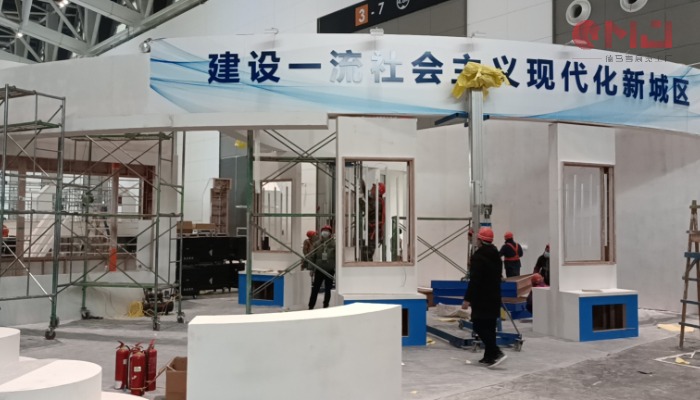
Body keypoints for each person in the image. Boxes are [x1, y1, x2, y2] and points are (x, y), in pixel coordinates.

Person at [462, 227, 507, 368]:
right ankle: (489, 356)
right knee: (490, 326)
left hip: (481, 298)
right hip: (494, 296)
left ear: (480, 240)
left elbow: (475, 280)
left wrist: (467, 299)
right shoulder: (496, 255)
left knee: (478, 325)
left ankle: (495, 352)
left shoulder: (478, 257)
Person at [308, 225, 335, 309]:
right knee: (315, 288)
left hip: (329, 270)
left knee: (328, 289)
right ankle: (311, 306)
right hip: (319, 269)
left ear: (330, 233)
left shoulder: (334, 244)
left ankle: (326, 305)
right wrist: (311, 269)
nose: (325, 232)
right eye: (324, 230)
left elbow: (338, 257)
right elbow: (312, 256)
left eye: (327, 230)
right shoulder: (317, 244)